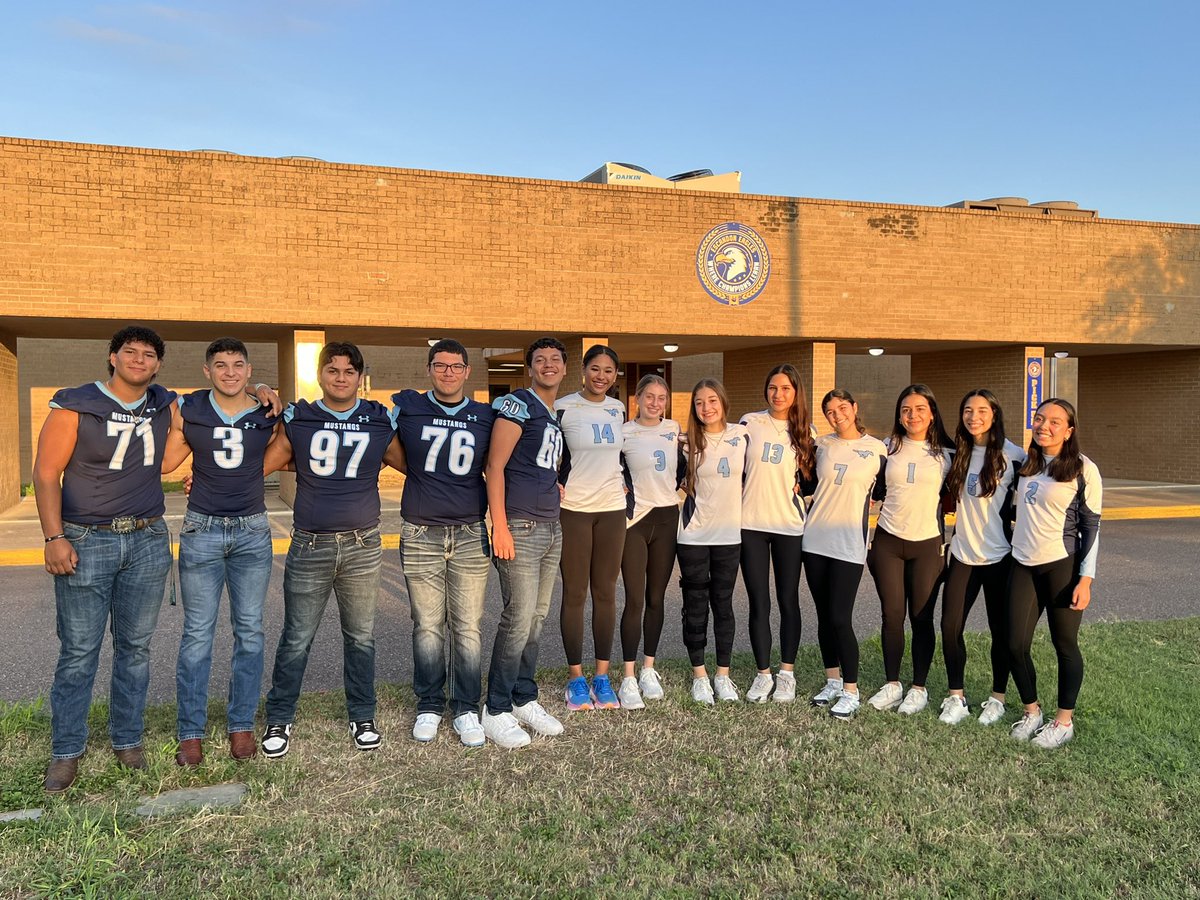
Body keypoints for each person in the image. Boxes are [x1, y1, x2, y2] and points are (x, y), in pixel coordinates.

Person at [34, 326, 176, 793]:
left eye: (148, 354)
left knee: (135, 648)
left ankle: (127, 739)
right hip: (85, 537)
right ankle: (67, 750)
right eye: (129, 352)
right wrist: (54, 535)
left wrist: (261, 389)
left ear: (157, 364)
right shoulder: (77, 402)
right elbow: (47, 471)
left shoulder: (163, 401)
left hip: (146, 538)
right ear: (112, 357)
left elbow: (189, 439)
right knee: (78, 652)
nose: (139, 360)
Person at [259, 341, 403, 759]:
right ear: (320, 375)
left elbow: (411, 463)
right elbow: (263, 462)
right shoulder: (300, 417)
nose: (341, 378)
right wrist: (211, 478)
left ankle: (363, 714)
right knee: (297, 637)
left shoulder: (378, 420)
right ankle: (280, 716)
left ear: (361, 377)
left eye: (349, 371)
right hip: (310, 543)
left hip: (362, 544)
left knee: (360, 637)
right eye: (333, 370)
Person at [162, 337, 280, 765]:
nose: (230, 372)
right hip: (202, 529)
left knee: (249, 631)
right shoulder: (189, 408)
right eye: (221, 365)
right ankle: (190, 731)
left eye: (238, 365)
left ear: (249, 371)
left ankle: (241, 724)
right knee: (197, 634)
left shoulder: (267, 412)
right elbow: (165, 462)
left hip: (252, 530)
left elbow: (285, 452)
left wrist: (268, 389)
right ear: (206, 371)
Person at [391, 339, 494, 748]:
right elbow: (373, 433)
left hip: (470, 531)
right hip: (420, 532)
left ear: (468, 371)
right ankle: (430, 704)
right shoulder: (407, 406)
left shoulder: (487, 415)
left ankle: (466, 706)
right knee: (428, 626)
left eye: (455, 366)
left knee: (468, 626)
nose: (448, 372)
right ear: (429, 369)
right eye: (440, 365)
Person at [483, 337, 568, 748]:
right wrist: (499, 524)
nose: (548, 365)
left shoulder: (553, 413)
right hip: (520, 525)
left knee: (536, 618)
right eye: (540, 360)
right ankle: (495, 707)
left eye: (555, 359)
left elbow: (537, 463)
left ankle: (522, 697)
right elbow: (495, 466)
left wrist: (556, 485)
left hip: (551, 526)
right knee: (517, 619)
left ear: (564, 368)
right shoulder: (519, 403)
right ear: (530, 368)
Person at [1008, 398, 1102, 749]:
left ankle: (1064, 721)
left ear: (1069, 430)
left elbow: (1092, 527)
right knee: (1014, 643)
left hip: (1061, 565)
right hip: (1022, 564)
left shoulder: (1083, 468)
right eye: (1039, 418)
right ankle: (1032, 711)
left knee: (1064, 643)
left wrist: (1086, 579)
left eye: (1055, 421)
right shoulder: (1026, 463)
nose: (1044, 426)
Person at [937, 389, 1025, 726]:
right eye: (968, 411)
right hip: (962, 555)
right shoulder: (958, 452)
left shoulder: (1013, 455)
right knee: (950, 627)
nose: (974, 417)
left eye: (982, 410)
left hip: (999, 558)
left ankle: (997, 698)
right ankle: (956, 696)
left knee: (999, 631)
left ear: (995, 413)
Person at [865, 384, 953, 716]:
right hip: (888, 542)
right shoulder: (887, 448)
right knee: (891, 617)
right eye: (905, 410)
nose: (911, 415)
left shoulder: (949, 454)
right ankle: (891, 684)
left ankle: (918, 688)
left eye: (919, 409)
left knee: (921, 618)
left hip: (927, 544)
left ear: (932, 413)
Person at [802, 389, 888, 719]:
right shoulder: (821, 445)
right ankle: (833, 681)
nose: (837, 415)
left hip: (849, 545)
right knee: (825, 617)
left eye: (842, 408)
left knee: (840, 617)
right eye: (830, 411)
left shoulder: (876, 449)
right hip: (814, 542)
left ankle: (851, 690)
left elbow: (882, 491)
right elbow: (806, 484)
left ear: (854, 408)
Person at [738, 364, 817, 703]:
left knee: (788, 601)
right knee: (759, 601)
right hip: (751, 525)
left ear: (796, 392)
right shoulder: (749, 423)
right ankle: (762, 674)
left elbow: (812, 480)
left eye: (785, 388)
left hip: (789, 526)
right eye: (773, 387)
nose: (778, 394)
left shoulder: (805, 431)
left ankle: (786, 674)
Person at [555, 345, 627, 711]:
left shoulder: (619, 408)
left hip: (612, 509)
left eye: (609, 371)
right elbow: (546, 453)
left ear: (616, 375)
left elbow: (622, 455)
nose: (602, 376)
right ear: (583, 370)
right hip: (575, 509)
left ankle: (602, 676)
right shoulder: (563, 407)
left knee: (606, 593)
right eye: (595, 369)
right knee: (575, 594)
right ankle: (576, 679)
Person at [677, 379, 748, 704]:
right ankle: (700, 676)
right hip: (693, 535)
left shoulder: (742, 435)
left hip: (729, 536)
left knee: (723, 605)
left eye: (711, 401)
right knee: (695, 608)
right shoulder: (686, 443)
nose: (706, 408)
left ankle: (723, 675)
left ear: (723, 401)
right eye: (699, 403)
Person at [617, 374, 682, 708]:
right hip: (636, 522)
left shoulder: (674, 430)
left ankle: (648, 669)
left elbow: (683, 469)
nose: (656, 403)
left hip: (668, 518)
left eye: (662, 398)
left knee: (656, 598)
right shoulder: (624, 433)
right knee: (634, 599)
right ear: (638, 398)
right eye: (650, 397)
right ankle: (628, 677)